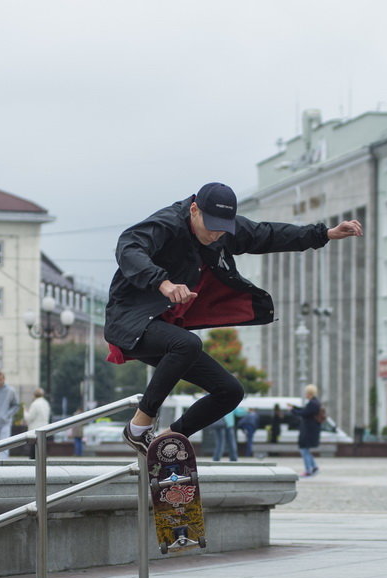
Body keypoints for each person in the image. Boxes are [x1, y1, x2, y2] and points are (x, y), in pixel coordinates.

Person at [104, 181, 363, 455]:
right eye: (211, 226)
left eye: (222, 229)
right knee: (188, 344)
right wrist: (163, 283)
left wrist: (324, 233)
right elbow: (129, 247)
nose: (216, 235)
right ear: (194, 209)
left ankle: (167, 441)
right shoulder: (167, 224)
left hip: (164, 330)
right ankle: (138, 427)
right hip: (130, 320)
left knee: (230, 391)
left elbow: (268, 234)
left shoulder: (223, 231)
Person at [291, 385, 322, 477]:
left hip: (309, 431)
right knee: (305, 450)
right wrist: (295, 408)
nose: (305, 395)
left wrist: (293, 410)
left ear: (309, 393)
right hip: (310, 430)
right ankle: (314, 467)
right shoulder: (315, 403)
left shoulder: (313, 403)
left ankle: (309, 469)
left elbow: (304, 413)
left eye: (306, 393)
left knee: (304, 449)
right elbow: (304, 410)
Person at [25, 388, 52, 459]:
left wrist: (24, 412)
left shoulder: (35, 404)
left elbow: (29, 417)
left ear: (34, 395)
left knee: (33, 450)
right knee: (42, 449)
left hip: (35, 429)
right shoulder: (46, 403)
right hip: (44, 428)